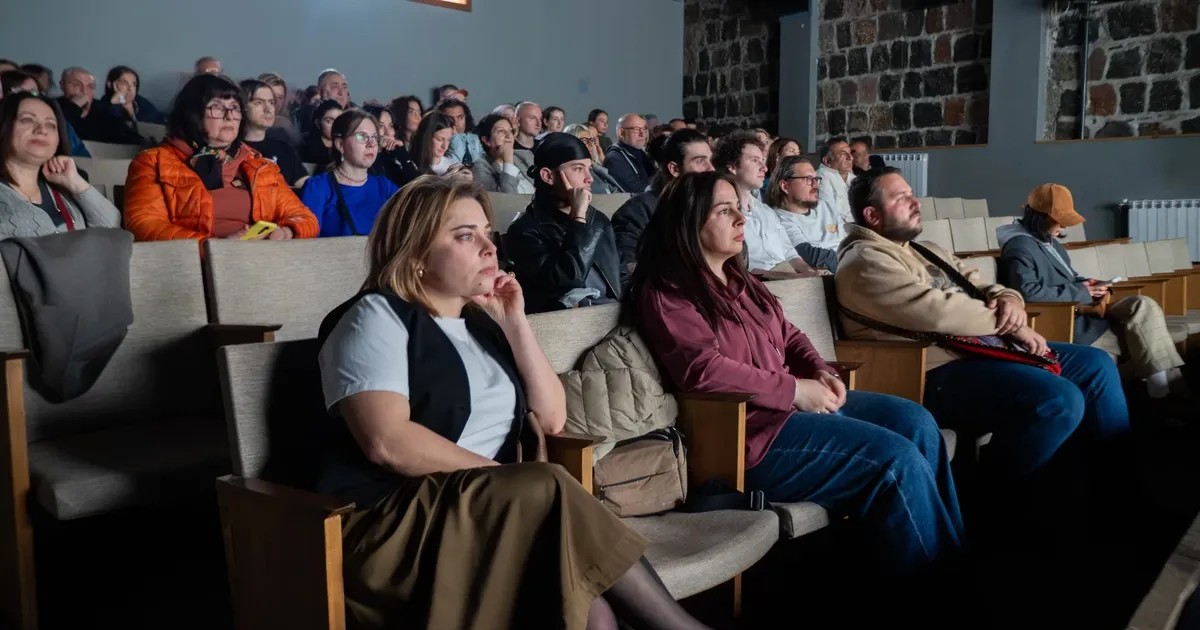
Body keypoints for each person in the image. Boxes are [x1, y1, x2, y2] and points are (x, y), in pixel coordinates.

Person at [316, 175, 711, 630]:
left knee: (593, 611)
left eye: (488, 233)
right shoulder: (373, 316)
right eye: (466, 236)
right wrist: (511, 484)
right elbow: (387, 442)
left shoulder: (480, 326)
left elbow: (553, 418)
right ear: (417, 253)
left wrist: (514, 322)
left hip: (490, 511)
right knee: (548, 485)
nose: (490, 248)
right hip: (393, 524)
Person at [629, 170, 964, 580]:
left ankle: (949, 560)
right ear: (688, 222)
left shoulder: (740, 278)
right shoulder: (667, 291)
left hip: (789, 413)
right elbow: (703, 370)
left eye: (739, 208)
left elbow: (790, 335)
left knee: (918, 423)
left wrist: (819, 370)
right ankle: (938, 588)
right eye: (724, 211)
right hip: (747, 435)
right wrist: (793, 390)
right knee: (895, 460)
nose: (741, 218)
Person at [836, 168, 1131, 479]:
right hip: (928, 370)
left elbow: (982, 284)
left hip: (980, 349)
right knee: (1059, 399)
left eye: (912, 194)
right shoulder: (865, 260)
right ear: (872, 215)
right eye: (901, 198)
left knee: (1094, 364)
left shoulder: (926, 249)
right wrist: (1013, 325)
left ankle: (1113, 475)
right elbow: (939, 312)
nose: (916, 202)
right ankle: (991, 494)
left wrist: (1010, 299)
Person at [998, 183, 1188, 400]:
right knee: (1149, 335)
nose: (1063, 227)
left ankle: (1161, 387)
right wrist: (1082, 291)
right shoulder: (1020, 246)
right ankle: (1164, 392)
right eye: (1059, 220)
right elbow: (1027, 292)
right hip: (1068, 319)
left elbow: (1069, 277)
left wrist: (1088, 283)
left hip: (1086, 309)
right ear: (1038, 217)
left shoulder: (1049, 242)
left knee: (1143, 304)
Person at [123, 74, 318, 244]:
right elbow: (145, 225)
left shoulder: (259, 165)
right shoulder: (154, 161)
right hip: (199, 265)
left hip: (260, 258)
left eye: (235, 107)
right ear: (193, 114)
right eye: (216, 107)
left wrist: (286, 232)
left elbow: (304, 218)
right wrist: (216, 248)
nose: (229, 116)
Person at [506, 133, 619, 313]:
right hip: (570, 321)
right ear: (548, 176)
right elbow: (569, 279)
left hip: (614, 313)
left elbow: (620, 275)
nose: (589, 178)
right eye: (578, 169)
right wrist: (578, 217)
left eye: (589, 168)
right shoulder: (524, 230)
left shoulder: (598, 220)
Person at [0, 92, 120, 239]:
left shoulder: (63, 190)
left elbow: (112, 228)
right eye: (27, 120)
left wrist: (75, 183)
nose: (42, 130)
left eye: (51, 125)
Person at [713, 130, 821, 279]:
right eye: (755, 160)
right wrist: (784, 276)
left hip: (786, 275)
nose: (764, 167)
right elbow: (732, 269)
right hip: (756, 283)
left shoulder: (765, 211)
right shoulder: (721, 215)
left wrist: (808, 272)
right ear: (733, 166)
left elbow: (789, 251)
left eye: (762, 160)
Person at [612, 128, 712, 288]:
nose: (711, 168)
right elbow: (625, 269)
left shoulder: (710, 206)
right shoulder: (638, 211)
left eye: (710, 160)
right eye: (700, 161)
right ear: (674, 169)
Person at [300, 109, 398, 237]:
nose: (371, 144)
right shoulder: (318, 187)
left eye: (375, 137)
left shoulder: (384, 186)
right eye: (362, 136)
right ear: (340, 144)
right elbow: (307, 241)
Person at [765, 155, 844, 272]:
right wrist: (852, 262)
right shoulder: (779, 219)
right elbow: (810, 256)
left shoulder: (825, 206)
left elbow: (849, 240)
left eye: (816, 179)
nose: (816, 185)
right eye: (808, 179)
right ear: (785, 186)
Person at [239, 79, 306, 186]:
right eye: (258, 102)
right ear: (242, 107)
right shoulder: (230, 151)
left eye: (271, 102)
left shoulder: (285, 150)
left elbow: (307, 186)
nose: (268, 109)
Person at [470, 113, 535, 194]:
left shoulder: (524, 155)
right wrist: (508, 160)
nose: (508, 135)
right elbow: (507, 198)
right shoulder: (479, 168)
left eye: (510, 131)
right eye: (501, 131)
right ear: (487, 140)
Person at [563, 123, 624, 194]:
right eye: (585, 140)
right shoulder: (570, 172)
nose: (591, 144)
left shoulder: (597, 169)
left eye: (591, 140)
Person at [603, 113, 653, 194]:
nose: (643, 134)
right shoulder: (614, 159)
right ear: (621, 133)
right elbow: (637, 190)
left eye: (644, 129)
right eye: (636, 129)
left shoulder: (641, 153)